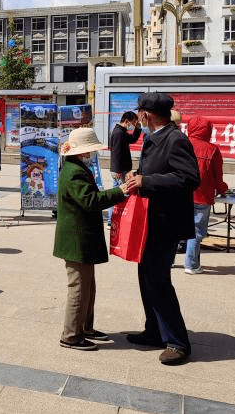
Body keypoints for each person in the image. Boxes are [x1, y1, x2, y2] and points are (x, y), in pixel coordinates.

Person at [124, 92, 199, 366]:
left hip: (166, 223)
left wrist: (148, 181)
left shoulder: (175, 139)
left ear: (146, 115)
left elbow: (189, 178)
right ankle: (154, 331)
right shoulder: (153, 137)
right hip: (150, 221)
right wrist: (138, 176)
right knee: (146, 278)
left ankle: (177, 342)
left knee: (158, 281)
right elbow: (155, 171)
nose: (137, 118)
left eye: (139, 113)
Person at [54, 127, 131, 350]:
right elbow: (90, 200)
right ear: (83, 151)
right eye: (91, 150)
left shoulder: (76, 167)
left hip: (81, 238)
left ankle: (85, 327)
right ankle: (70, 335)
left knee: (88, 286)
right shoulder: (74, 171)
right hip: (76, 239)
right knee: (79, 288)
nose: (93, 154)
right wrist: (120, 191)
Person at [183, 116, 228, 274]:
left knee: (174, 229)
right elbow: (217, 178)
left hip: (180, 195)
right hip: (202, 197)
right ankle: (191, 264)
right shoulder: (212, 149)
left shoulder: (181, 143)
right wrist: (223, 189)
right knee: (195, 231)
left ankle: (167, 262)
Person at [108, 111, 141, 227]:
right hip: (119, 170)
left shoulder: (122, 131)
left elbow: (132, 139)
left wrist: (138, 128)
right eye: (132, 123)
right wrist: (117, 169)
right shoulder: (118, 133)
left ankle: (111, 219)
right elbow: (115, 152)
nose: (132, 125)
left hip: (121, 169)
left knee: (117, 194)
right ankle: (112, 220)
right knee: (120, 194)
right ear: (126, 121)